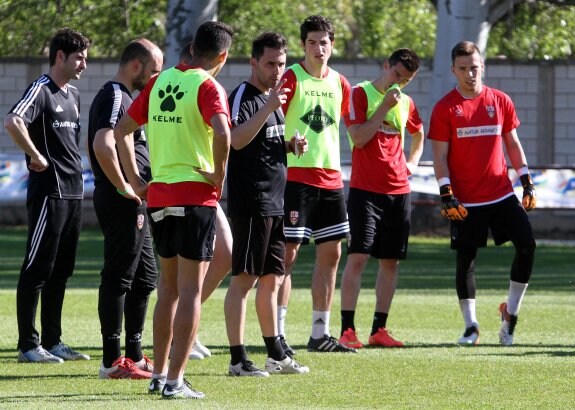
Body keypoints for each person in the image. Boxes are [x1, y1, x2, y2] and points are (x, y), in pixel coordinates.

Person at [113, 21, 233, 399]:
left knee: (166, 290)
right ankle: (175, 383)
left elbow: (121, 130)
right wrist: (218, 176)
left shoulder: (159, 82)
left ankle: (158, 375)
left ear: (192, 47)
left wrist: (134, 179)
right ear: (223, 57)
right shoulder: (208, 86)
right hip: (194, 197)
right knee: (190, 292)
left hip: (160, 198)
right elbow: (225, 135)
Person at [428, 40, 536, 346]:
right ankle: (471, 327)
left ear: (482, 66)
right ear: (453, 70)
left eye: (474, 67)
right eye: (463, 68)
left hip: (501, 193)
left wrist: (526, 179)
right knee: (466, 261)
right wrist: (445, 192)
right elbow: (439, 156)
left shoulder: (500, 100)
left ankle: (510, 315)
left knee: (527, 245)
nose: (469, 73)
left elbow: (512, 143)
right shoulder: (445, 108)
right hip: (465, 199)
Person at [4, 28, 91, 363]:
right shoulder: (41, 89)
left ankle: (53, 342)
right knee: (36, 267)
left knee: (61, 269)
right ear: (60, 57)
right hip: (48, 195)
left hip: (73, 194)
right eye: (79, 57)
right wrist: (35, 154)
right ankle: (28, 345)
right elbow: (13, 121)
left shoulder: (74, 95)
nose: (84, 63)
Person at [226, 32, 309, 377]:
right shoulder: (246, 96)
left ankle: (275, 353)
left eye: (282, 64)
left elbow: (262, 143)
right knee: (244, 279)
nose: (277, 70)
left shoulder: (269, 98)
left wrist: (289, 145)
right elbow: (235, 139)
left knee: (274, 278)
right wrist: (268, 108)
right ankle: (237, 358)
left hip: (275, 202)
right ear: (254, 63)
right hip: (252, 202)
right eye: (271, 63)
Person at [278, 15, 355, 353]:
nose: (318, 48)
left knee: (332, 255)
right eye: (312, 42)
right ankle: (276, 335)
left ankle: (319, 334)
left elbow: (353, 129)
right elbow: (269, 122)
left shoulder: (341, 83)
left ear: (332, 45)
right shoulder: (290, 78)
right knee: (287, 257)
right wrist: (286, 143)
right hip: (296, 180)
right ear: (303, 45)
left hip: (331, 180)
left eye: (324, 42)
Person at [338, 48, 424, 349]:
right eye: (396, 75)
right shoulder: (360, 93)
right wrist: (384, 107)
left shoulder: (407, 102)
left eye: (406, 80)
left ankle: (379, 329)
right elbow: (359, 137)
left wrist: (412, 163)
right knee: (358, 257)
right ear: (385, 65)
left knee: (391, 262)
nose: (398, 83)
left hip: (398, 191)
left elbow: (418, 132)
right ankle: (347, 329)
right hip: (366, 190)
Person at [87, 39, 163, 378]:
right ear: (136, 66)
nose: (156, 78)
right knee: (118, 276)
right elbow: (103, 142)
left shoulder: (131, 98)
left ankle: (134, 353)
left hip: (136, 200)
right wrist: (124, 185)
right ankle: (110, 360)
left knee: (146, 278)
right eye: (154, 71)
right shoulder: (116, 95)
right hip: (121, 200)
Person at [177, 41, 233, 361]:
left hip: (203, 183)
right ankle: (175, 341)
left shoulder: (210, 87)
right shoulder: (173, 82)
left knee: (224, 253)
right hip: (184, 183)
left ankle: (186, 329)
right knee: (178, 276)